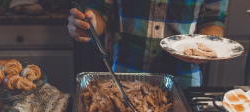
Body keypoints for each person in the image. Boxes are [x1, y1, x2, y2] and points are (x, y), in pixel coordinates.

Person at [68, 0, 228, 89]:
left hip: (183, 79)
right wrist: (90, 26)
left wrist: (209, 47)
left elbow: (213, 19)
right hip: (125, 75)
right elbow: (100, 8)